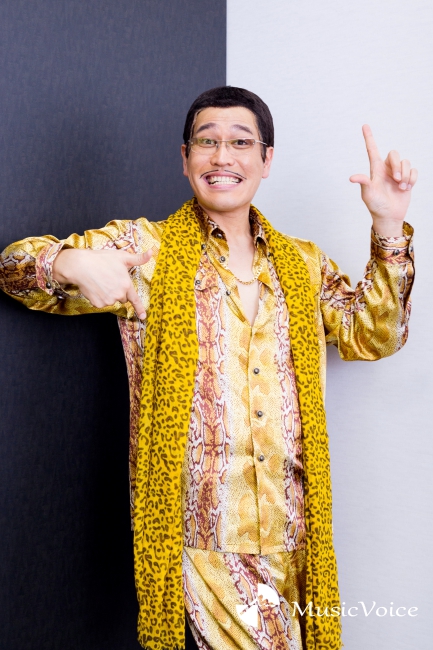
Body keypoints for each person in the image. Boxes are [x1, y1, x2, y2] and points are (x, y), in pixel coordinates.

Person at [0, 86, 416, 650]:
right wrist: (72, 262)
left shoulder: (303, 263)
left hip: (297, 536)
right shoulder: (146, 249)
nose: (223, 157)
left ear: (266, 159)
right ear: (185, 157)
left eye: (241, 143)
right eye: (207, 142)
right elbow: (14, 266)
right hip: (203, 542)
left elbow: (375, 336)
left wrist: (388, 226)